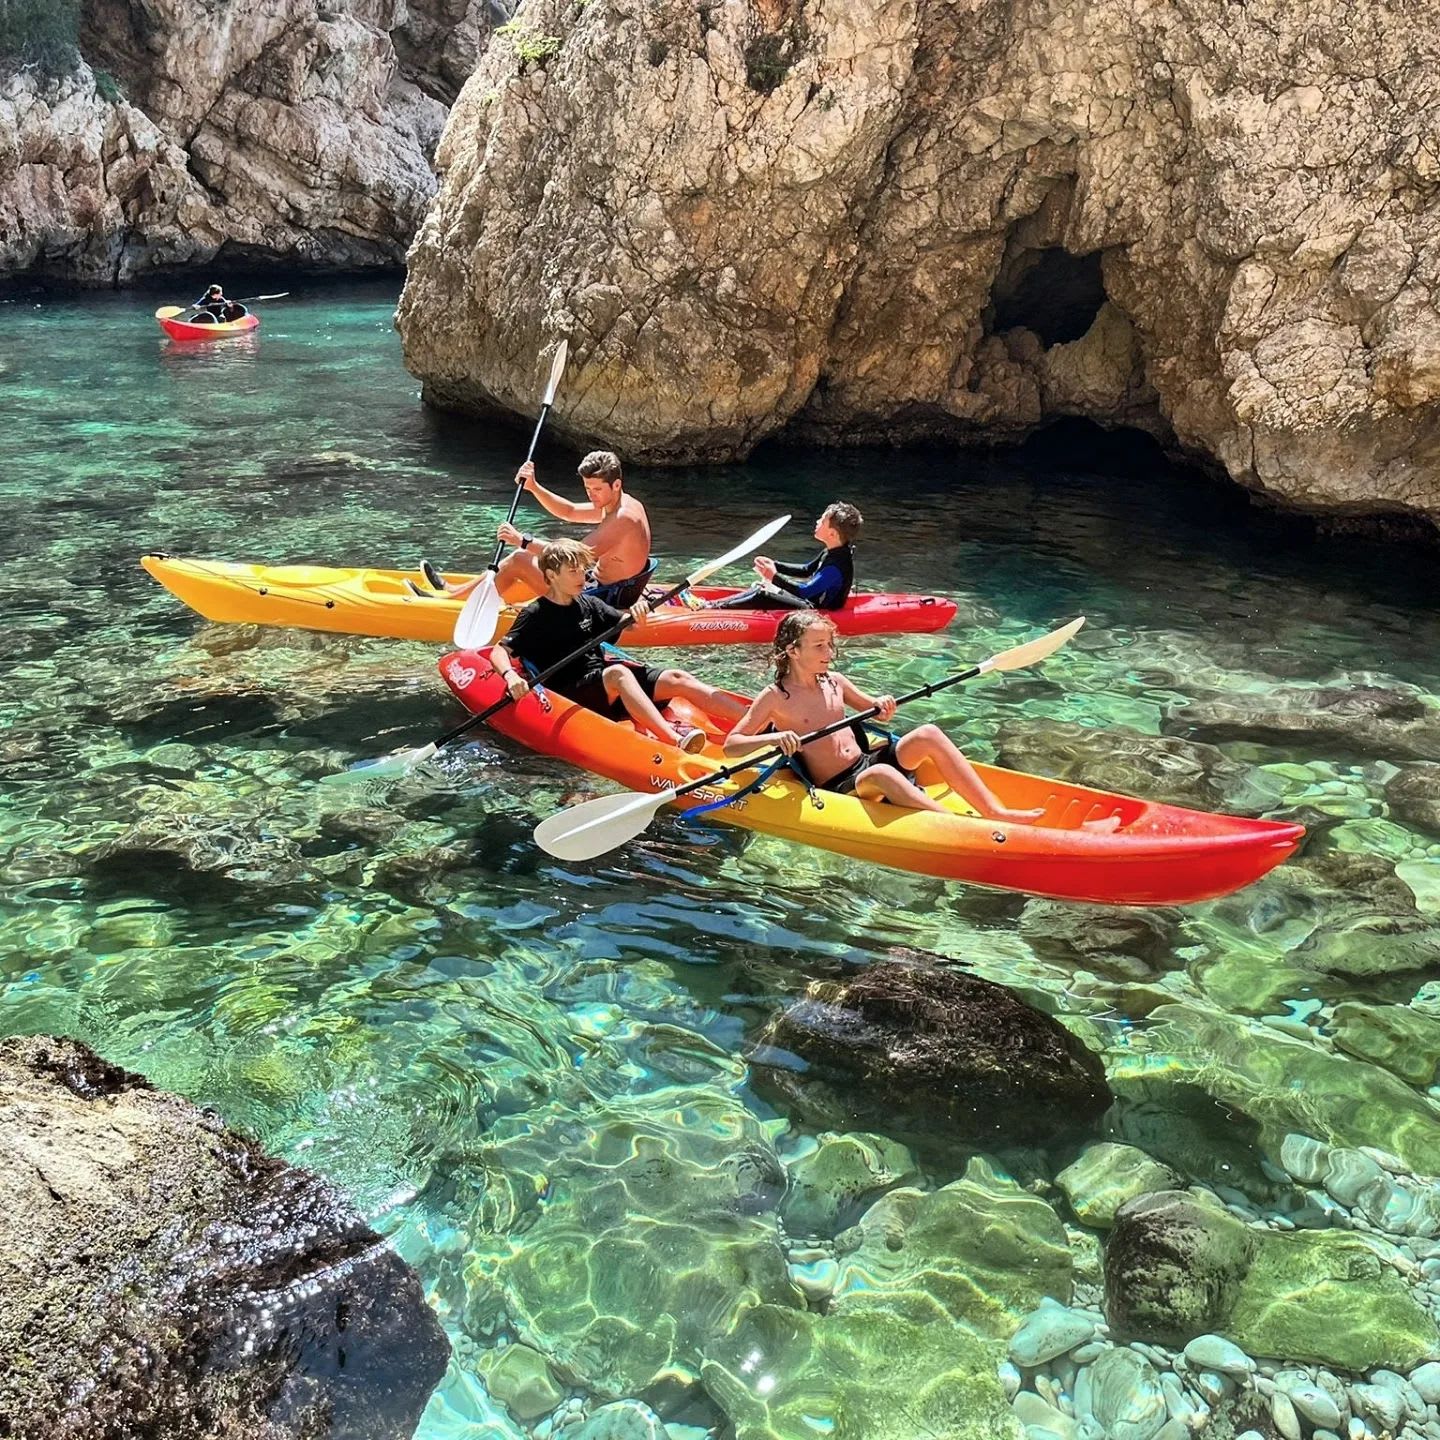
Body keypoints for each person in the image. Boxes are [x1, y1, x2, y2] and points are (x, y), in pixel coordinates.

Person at [721, 611, 1045, 821]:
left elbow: (876, 711)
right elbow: (732, 745)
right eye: (819, 646)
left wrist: (883, 704)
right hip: (841, 784)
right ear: (793, 651)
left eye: (830, 645)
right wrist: (775, 737)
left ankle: (995, 811)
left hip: (867, 761)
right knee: (883, 774)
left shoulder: (835, 681)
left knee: (928, 733)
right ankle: (952, 823)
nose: (829, 653)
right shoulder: (775, 696)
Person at [491, 538, 746, 754]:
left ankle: (755, 722)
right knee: (618, 673)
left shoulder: (589, 604)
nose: (582, 577)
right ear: (551, 575)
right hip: (570, 691)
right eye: (573, 571)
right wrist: (510, 675)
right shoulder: (535, 613)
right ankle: (674, 741)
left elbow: (627, 624)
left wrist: (637, 613)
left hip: (603, 684)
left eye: (583, 570)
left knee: (677, 677)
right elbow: (500, 650)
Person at [433, 450, 653, 606]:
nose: (591, 495)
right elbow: (570, 511)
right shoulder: (620, 503)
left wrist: (522, 540)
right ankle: (455, 592)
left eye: (596, 489)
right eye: (587, 488)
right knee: (525, 557)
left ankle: (453, 604)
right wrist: (534, 487)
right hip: (598, 584)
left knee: (519, 559)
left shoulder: (623, 519)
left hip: (600, 599)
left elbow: (568, 557)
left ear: (616, 485)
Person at [707, 502, 860, 611]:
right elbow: (806, 570)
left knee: (762, 595)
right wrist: (775, 565)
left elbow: (805, 591)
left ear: (832, 534)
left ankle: (713, 609)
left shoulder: (836, 566)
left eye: (822, 521)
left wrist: (774, 577)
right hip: (809, 601)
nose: (817, 521)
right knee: (760, 586)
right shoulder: (833, 550)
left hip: (816, 610)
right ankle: (712, 604)